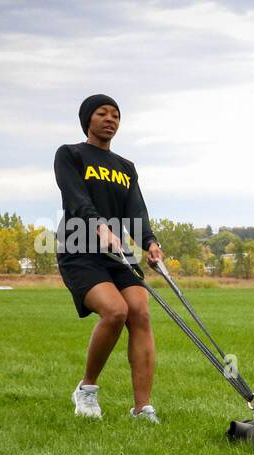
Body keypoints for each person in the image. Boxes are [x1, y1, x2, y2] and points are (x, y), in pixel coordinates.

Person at [54, 93, 164, 423]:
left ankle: (142, 408)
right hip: (79, 248)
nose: (110, 119)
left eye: (115, 114)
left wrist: (150, 242)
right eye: (102, 113)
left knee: (140, 312)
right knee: (115, 311)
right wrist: (99, 225)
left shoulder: (125, 167)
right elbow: (75, 198)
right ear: (88, 120)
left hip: (118, 254)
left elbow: (136, 209)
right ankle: (86, 390)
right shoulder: (70, 155)